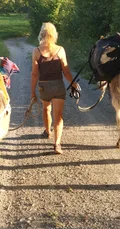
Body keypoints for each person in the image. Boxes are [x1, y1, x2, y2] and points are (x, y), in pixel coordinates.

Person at [30, 22, 79, 154]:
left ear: (42, 34)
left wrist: (32, 92)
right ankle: (57, 144)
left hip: (44, 86)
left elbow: (34, 74)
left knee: (46, 109)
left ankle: (47, 131)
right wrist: (74, 84)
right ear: (54, 35)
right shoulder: (60, 50)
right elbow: (66, 72)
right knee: (59, 116)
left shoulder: (37, 51)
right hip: (58, 85)